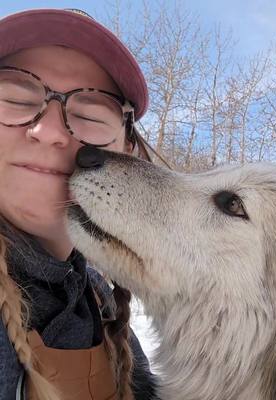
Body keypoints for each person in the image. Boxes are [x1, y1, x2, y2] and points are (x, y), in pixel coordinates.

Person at [0, 8, 157, 400]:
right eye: (16, 99)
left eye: (89, 113)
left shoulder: (101, 303)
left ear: (128, 150)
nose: (50, 131)